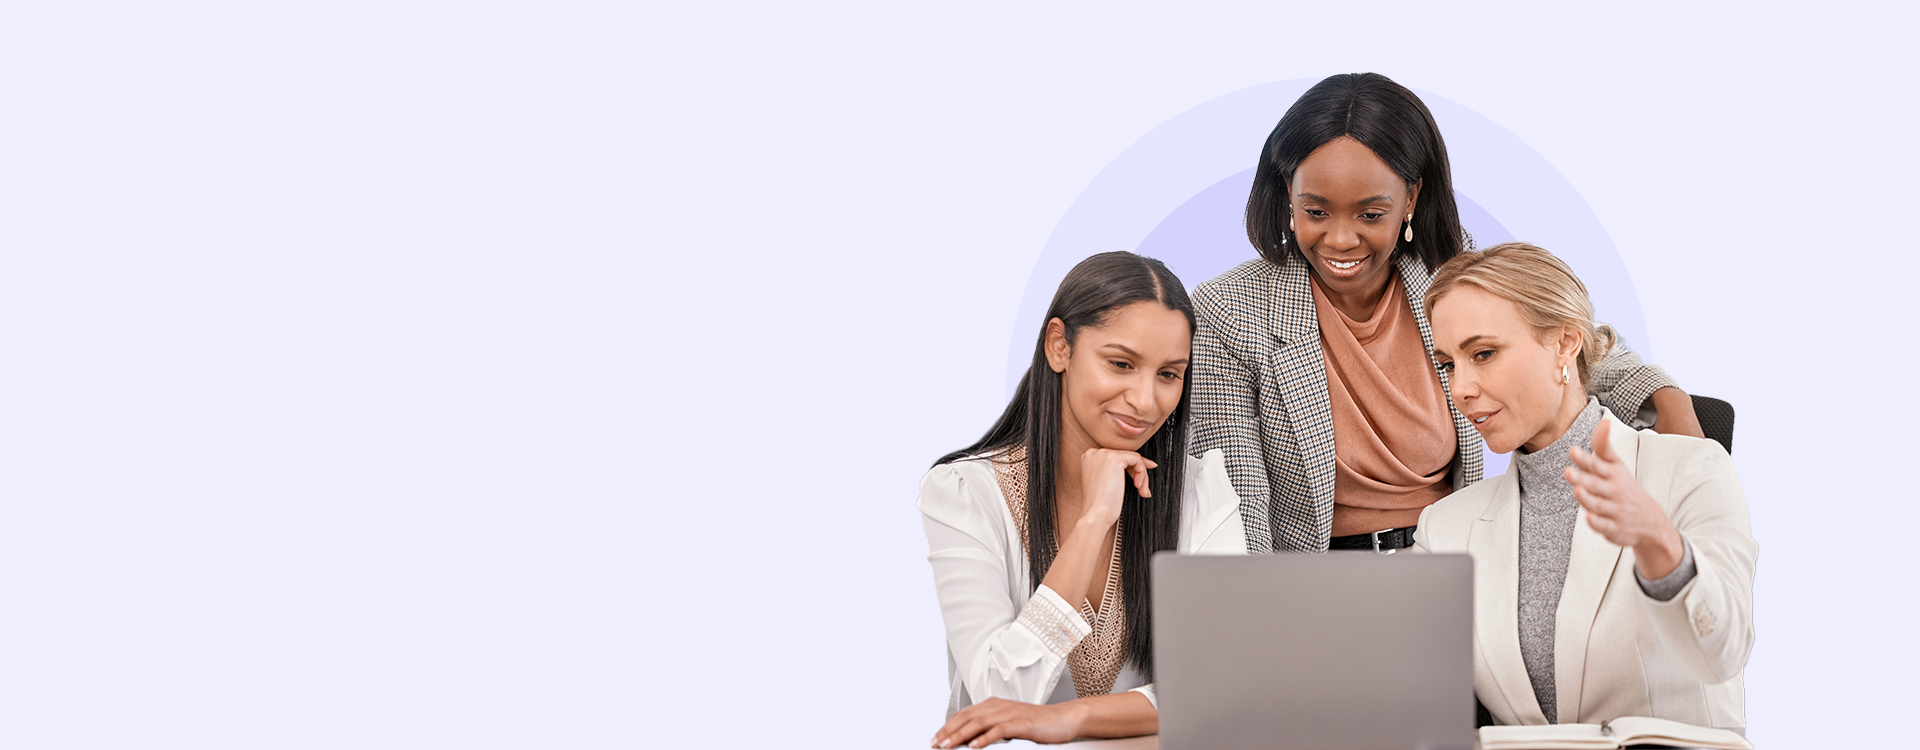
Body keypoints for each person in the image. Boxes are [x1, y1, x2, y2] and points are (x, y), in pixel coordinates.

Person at [1190, 72, 1706, 554]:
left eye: (1371, 214)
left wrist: (1667, 398)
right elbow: (1241, 506)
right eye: (1316, 212)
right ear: (1287, 195)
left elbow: (1563, 337)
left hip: (1454, 566)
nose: (1341, 239)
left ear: (1411, 197)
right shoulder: (1230, 312)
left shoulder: (1444, 271)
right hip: (1316, 588)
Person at [1413, 243, 1756, 728]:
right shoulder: (1446, 528)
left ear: (1565, 345)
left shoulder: (1690, 470)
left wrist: (1661, 547)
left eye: (1483, 353)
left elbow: (1722, 653)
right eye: (1448, 364)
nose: (1461, 388)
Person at [919, 251, 1247, 748]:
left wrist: (1069, 719)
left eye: (1168, 374)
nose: (1145, 400)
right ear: (1059, 347)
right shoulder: (966, 493)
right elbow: (999, 694)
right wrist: (1094, 521)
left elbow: (1224, 685)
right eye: (1121, 364)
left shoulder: (1200, 489)